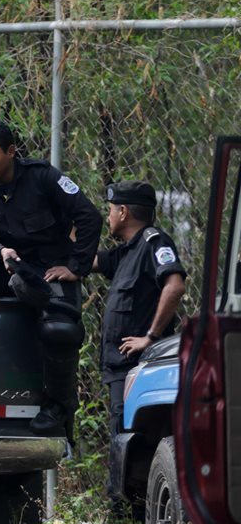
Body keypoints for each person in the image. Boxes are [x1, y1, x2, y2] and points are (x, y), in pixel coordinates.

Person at [0, 120, 103, 432]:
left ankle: (56, 407)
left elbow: (89, 216)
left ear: (10, 152)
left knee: (60, 329)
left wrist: (76, 266)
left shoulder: (43, 177)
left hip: (45, 265)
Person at [94, 181, 186, 497]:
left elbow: (174, 286)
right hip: (120, 368)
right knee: (122, 439)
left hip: (139, 368)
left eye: (109, 211)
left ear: (123, 211)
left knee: (135, 441)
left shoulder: (154, 242)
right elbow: (86, 261)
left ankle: (126, 518)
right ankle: (125, 514)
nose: (108, 217)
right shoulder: (127, 252)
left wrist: (150, 337)